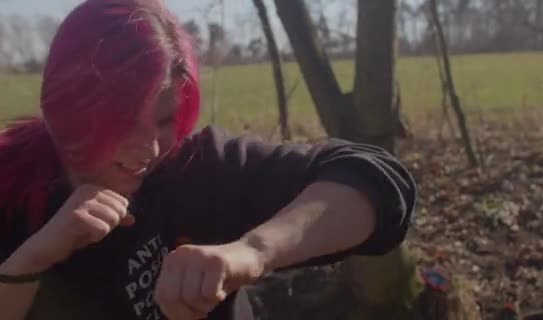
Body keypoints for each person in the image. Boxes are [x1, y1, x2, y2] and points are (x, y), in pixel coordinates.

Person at [0, 0, 417, 319]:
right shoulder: (11, 189)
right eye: (123, 120)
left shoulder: (198, 167)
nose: (149, 149)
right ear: (71, 106)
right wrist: (33, 259)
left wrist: (252, 252)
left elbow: (377, 181)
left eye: (165, 119)